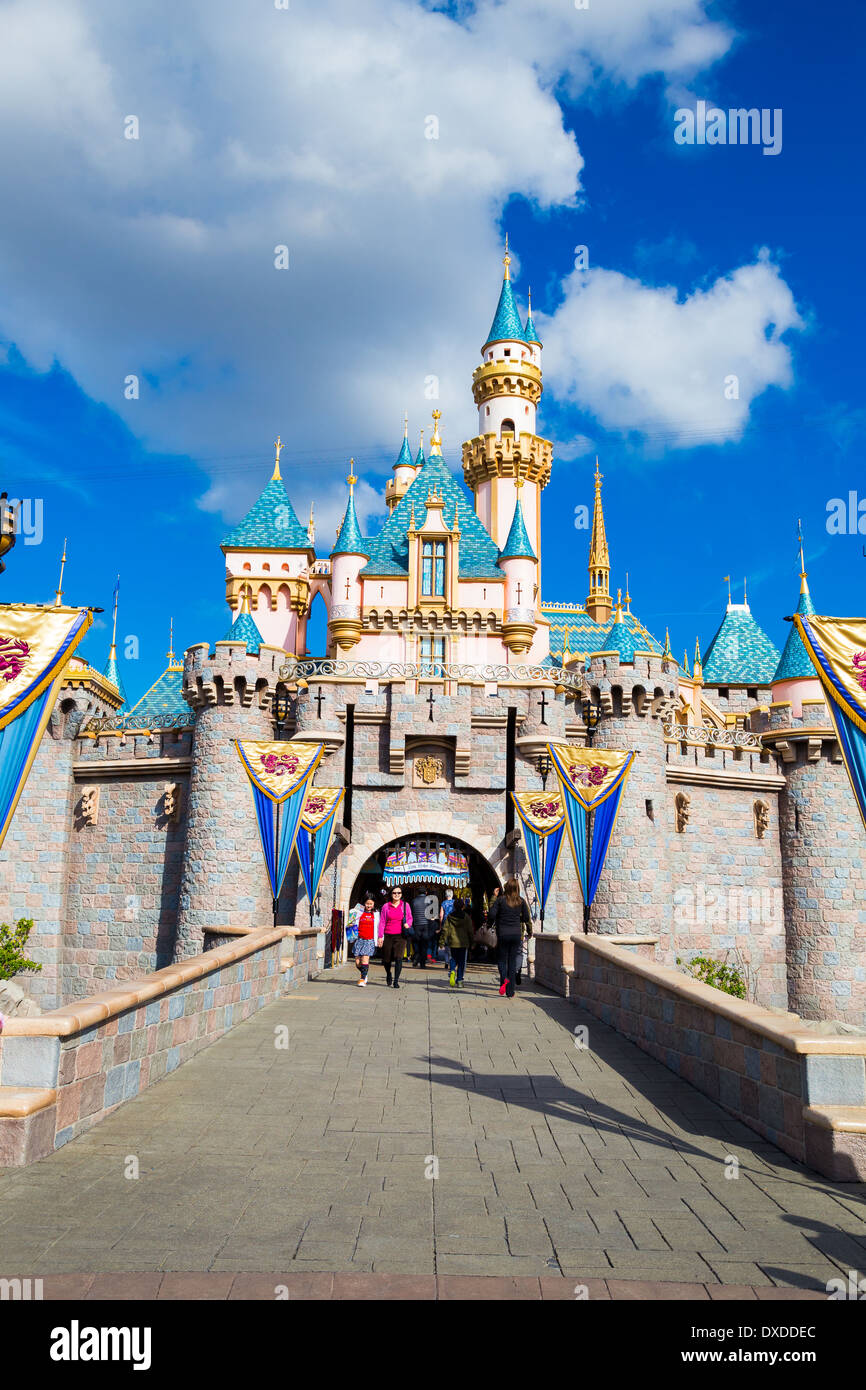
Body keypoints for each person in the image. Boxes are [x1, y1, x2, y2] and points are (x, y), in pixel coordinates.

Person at [488, 878, 531, 998]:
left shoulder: (501, 900)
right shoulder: (521, 901)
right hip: (516, 934)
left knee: (502, 959)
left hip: (503, 933)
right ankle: (510, 991)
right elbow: (526, 918)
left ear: (506, 887)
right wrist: (518, 920)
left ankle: (504, 978)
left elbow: (491, 914)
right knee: (512, 962)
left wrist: (490, 923)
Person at [379, 885, 412, 988]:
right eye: (394, 893)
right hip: (388, 935)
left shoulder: (405, 905)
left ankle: (396, 980)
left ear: (401, 894)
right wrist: (380, 936)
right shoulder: (386, 906)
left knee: (399, 958)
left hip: (401, 936)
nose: (397, 895)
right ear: (391, 894)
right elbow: (382, 922)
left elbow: (410, 918)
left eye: (399, 893)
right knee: (386, 959)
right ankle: (388, 973)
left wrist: (408, 924)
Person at [443, 895, 474, 988]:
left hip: (452, 941)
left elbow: (445, 929)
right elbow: (470, 930)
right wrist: (472, 941)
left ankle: (452, 970)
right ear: (463, 906)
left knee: (453, 958)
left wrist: (442, 941)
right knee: (461, 962)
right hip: (463, 942)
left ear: (454, 906)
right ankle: (460, 980)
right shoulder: (466, 917)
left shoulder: (449, 916)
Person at [352, 895, 380, 987]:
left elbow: (379, 927)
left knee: (365, 958)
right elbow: (351, 923)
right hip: (359, 939)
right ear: (364, 903)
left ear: (374, 904)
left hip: (369, 940)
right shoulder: (358, 912)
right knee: (357, 962)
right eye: (367, 903)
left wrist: (380, 938)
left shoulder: (376, 914)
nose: (369, 905)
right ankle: (364, 973)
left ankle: (362, 979)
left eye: (371, 904)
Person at [411, 889, 435, 967]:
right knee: (424, 944)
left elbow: (411, 913)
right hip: (426, 925)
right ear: (426, 892)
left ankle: (417, 956)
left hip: (416, 924)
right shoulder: (429, 901)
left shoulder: (414, 901)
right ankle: (422, 963)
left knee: (416, 943)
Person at [439, 888, 456, 973]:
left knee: (446, 944)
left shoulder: (443, 903)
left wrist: (440, 925)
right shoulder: (455, 903)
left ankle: (446, 961)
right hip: (453, 924)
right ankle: (452, 960)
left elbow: (441, 915)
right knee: (453, 943)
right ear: (452, 895)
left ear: (446, 895)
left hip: (446, 923)